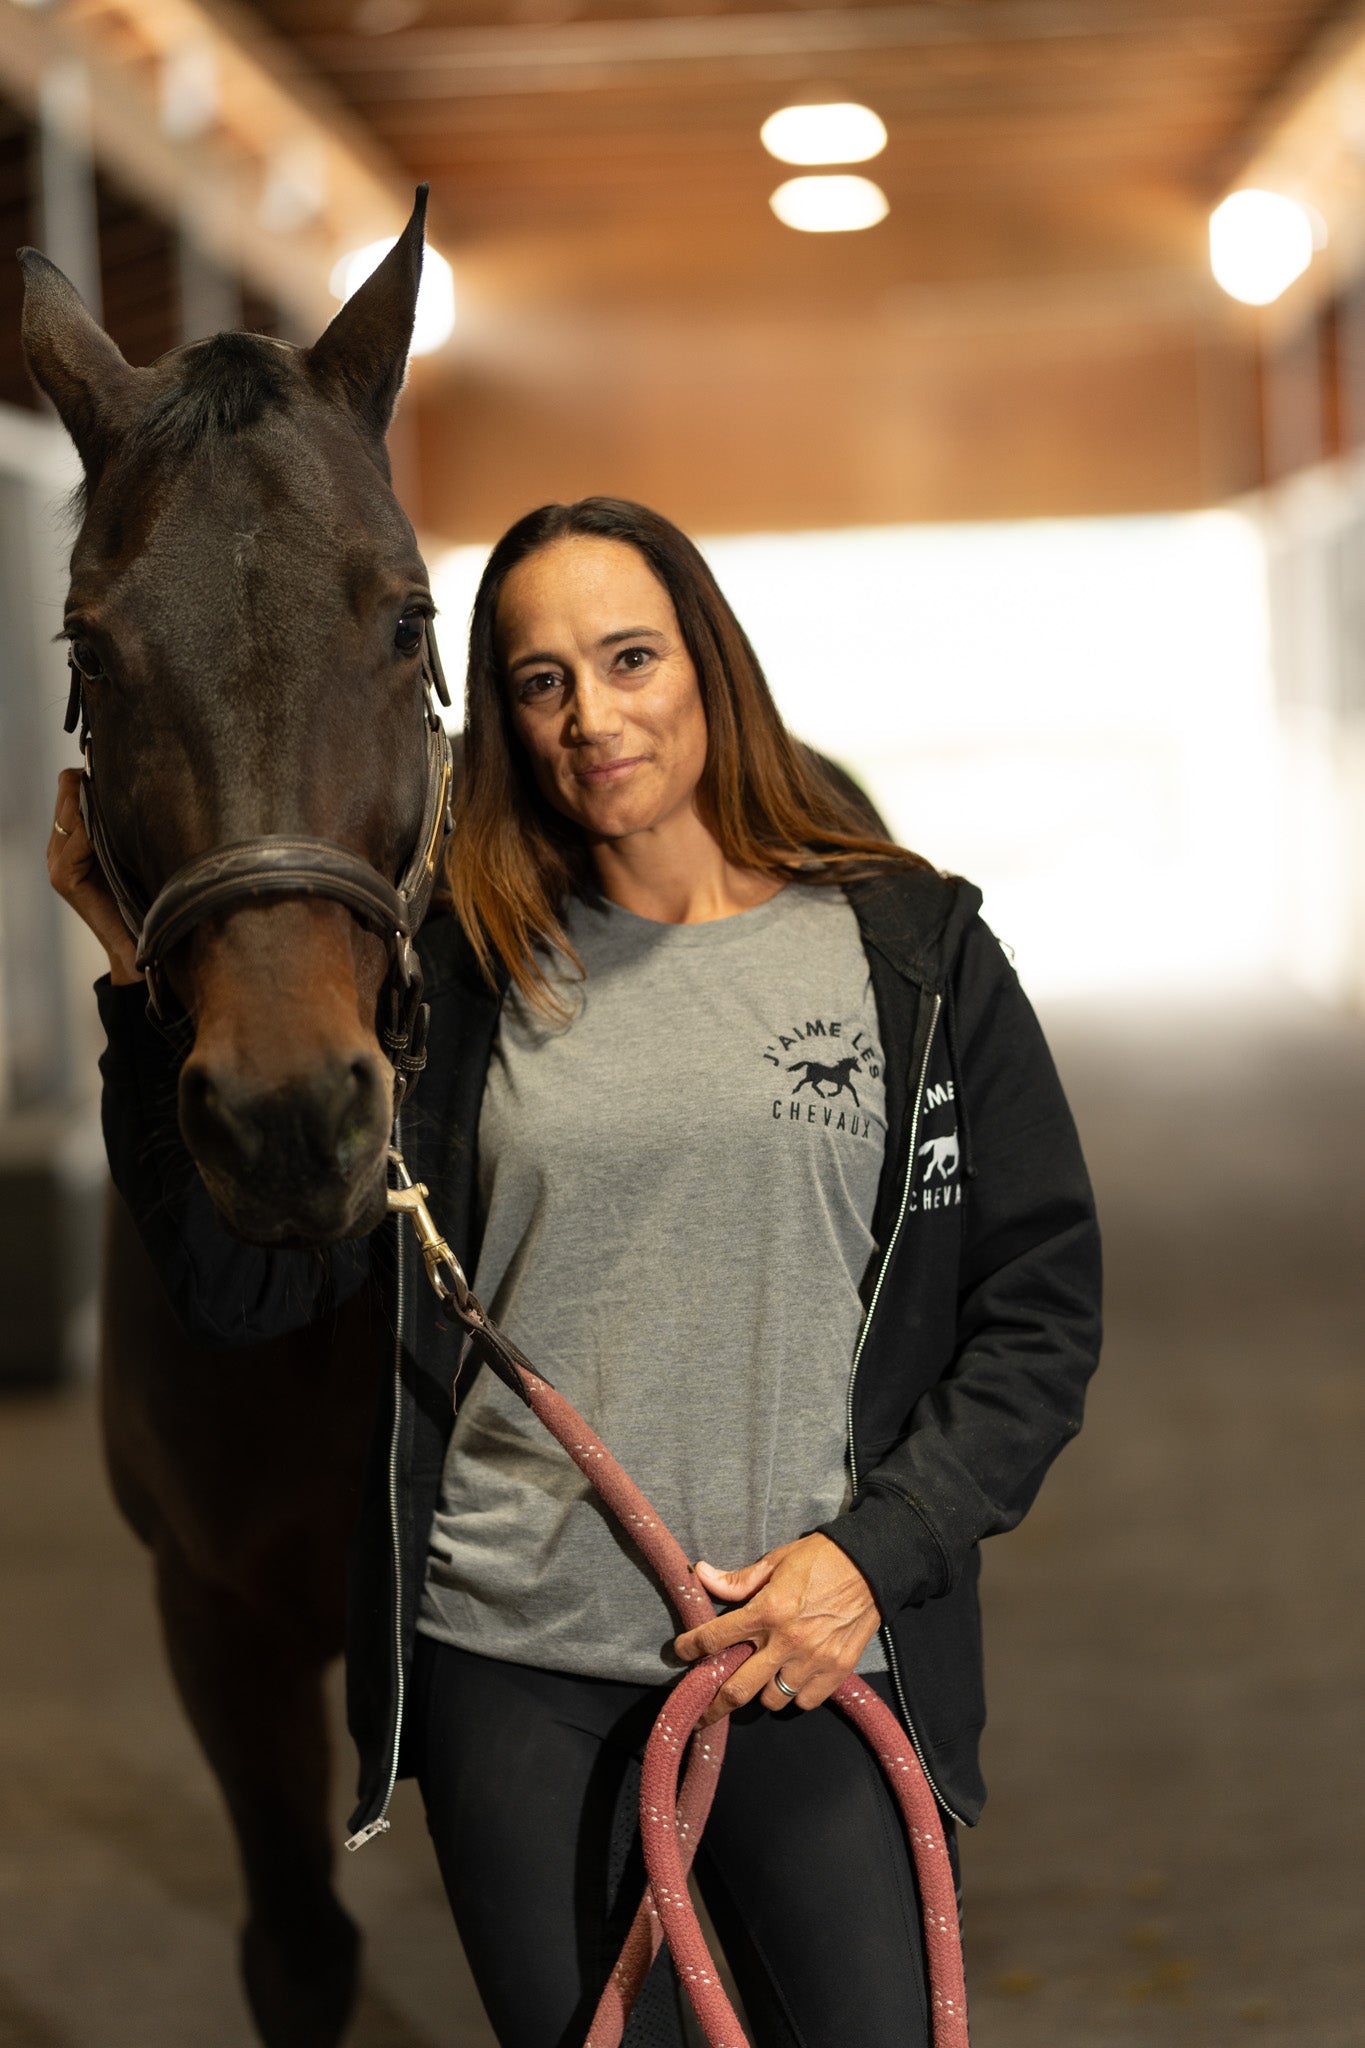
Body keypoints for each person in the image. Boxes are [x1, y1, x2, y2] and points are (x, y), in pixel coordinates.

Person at [52, 495, 1102, 2048]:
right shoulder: (459, 979)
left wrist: (880, 1551)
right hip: (518, 1670)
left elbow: (1038, 1309)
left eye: (629, 659)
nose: (588, 719)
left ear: (707, 665)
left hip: (810, 1648)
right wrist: (142, 1001)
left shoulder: (909, 950)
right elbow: (244, 1296)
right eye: (539, 682)